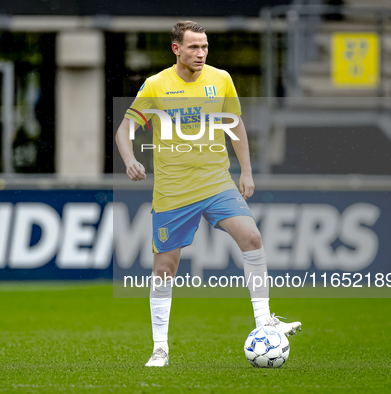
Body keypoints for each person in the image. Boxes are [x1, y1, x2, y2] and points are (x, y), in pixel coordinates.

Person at [115, 20, 302, 367]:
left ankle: (264, 322)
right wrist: (129, 159)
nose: (200, 54)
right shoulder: (156, 85)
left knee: (252, 238)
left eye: (204, 47)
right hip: (173, 190)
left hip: (216, 182)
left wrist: (246, 171)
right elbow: (125, 129)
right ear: (177, 49)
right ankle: (160, 348)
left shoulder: (221, 80)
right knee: (165, 268)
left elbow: (236, 127)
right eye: (193, 47)